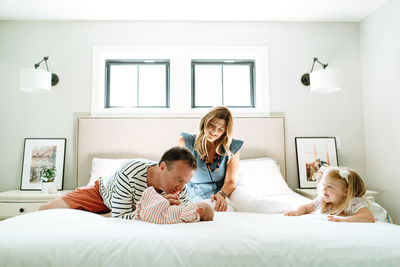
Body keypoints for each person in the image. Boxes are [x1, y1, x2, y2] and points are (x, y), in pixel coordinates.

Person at [39, 146, 197, 220]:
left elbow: (183, 214)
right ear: (163, 167)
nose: (182, 188)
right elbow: (120, 217)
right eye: (179, 180)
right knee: (46, 209)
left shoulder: (179, 187)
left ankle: (106, 214)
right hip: (102, 194)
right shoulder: (129, 172)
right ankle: (104, 212)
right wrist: (155, 208)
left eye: (187, 182)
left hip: (130, 206)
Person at [178, 106, 243, 212]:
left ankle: (279, 211)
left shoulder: (231, 147)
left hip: (227, 192)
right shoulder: (186, 143)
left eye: (220, 129)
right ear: (205, 122)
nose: (214, 132)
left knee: (253, 204)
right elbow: (178, 175)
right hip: (199, 194)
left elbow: (231, 181)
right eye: (211, 125)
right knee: (216, 210)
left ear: (225, 131)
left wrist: (221, 195)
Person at [284, 167, 377, 223]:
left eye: (330, 187)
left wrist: (344, 220)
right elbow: (306, 208)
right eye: (323, 185)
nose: (324, 189)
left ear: (345, 192)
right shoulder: (323, 199)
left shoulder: (352, 202)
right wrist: (296, 212)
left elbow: (369, 217)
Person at [134, 186, 214, 224]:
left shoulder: (193, 213)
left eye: (197, 204)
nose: (194, 204)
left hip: (162, 216)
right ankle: (144, 211)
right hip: (166, 213)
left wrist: (192, 207)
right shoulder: (194, 216)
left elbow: (184, 215)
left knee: (163, 201)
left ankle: (144, 208)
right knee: (163, 202)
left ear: (200, 210)